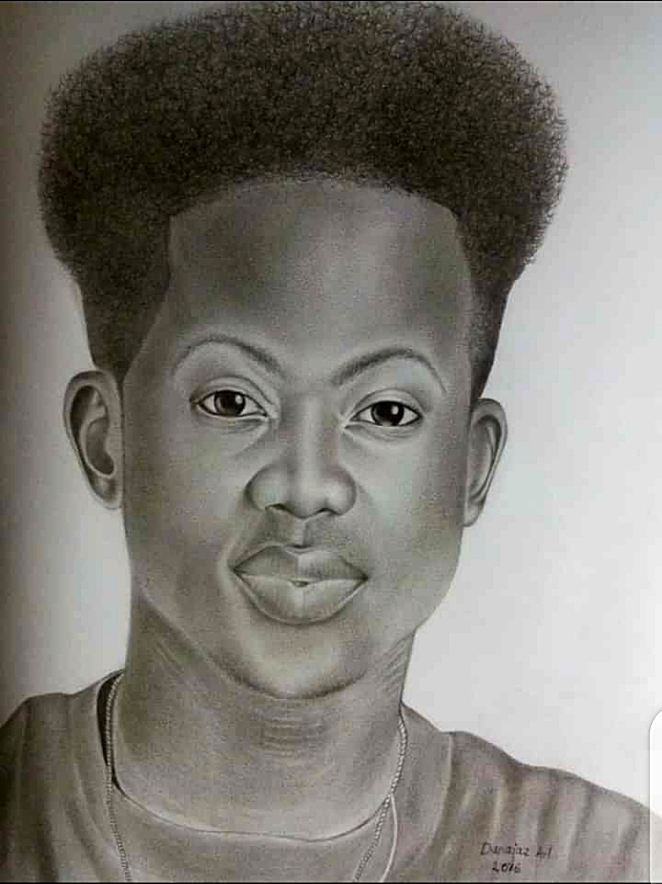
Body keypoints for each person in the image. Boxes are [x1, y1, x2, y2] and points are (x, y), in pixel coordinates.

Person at [0, 2, 653, 881]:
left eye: (386, 413)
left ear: (472, 464)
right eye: (232, 400)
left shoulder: (599, 859)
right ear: (104, 439)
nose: (307, 487)